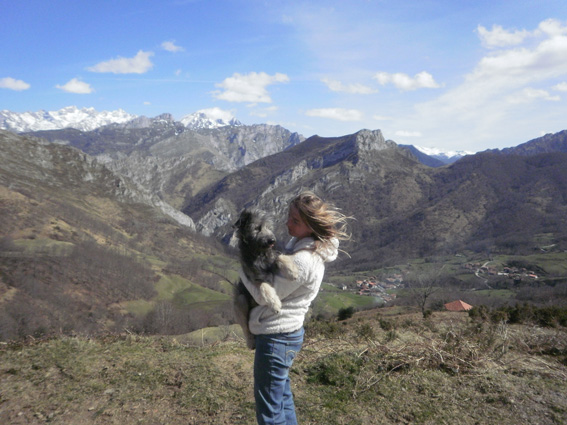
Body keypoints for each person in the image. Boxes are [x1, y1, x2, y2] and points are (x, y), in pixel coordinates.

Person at [239, 191, 350, 425]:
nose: (288, 223)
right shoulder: (302, 246)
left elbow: (265, 296)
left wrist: (243, 271)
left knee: (269, 410)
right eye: (289, 216)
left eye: (296, 221)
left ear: (310, 226)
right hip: (287, 334)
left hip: (276, 336)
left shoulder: (303, 259)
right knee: (281, 398)